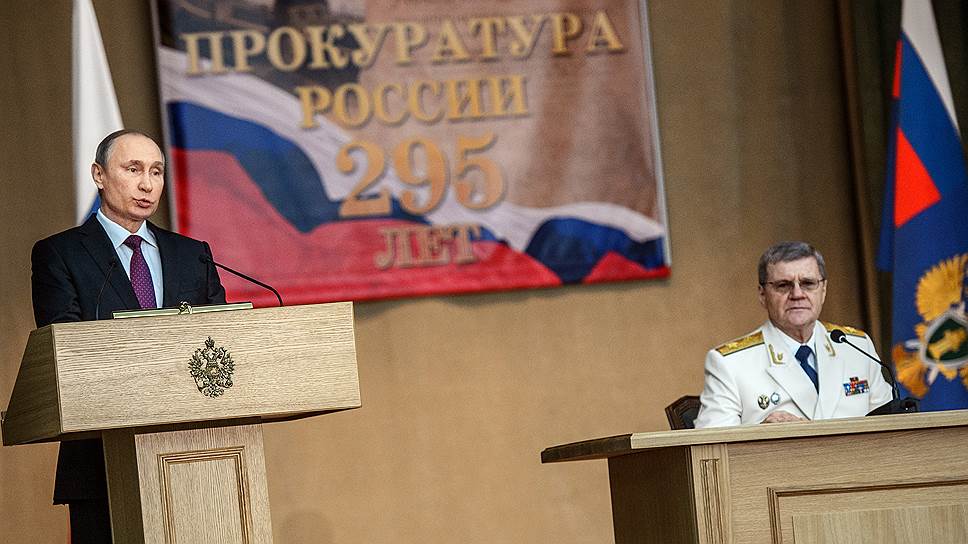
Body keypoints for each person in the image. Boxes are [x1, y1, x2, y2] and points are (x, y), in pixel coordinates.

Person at [31, 129, 226, 542]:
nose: (147, 184)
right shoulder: (60, 254)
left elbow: (222, 343)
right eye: (133, 169)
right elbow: (67, 353)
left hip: (199, 456)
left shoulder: (192, 255)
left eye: (156, 171)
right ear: (99, 175)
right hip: (102, 460)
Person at [694, 241, 892, 428]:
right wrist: (759, 434)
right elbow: (712, 444)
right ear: (763, 295)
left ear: (823, 290)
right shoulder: (730, 363)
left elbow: (891, 426)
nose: (797, 294)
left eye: (808, 283)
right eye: (783, 285)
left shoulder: (856, 347)